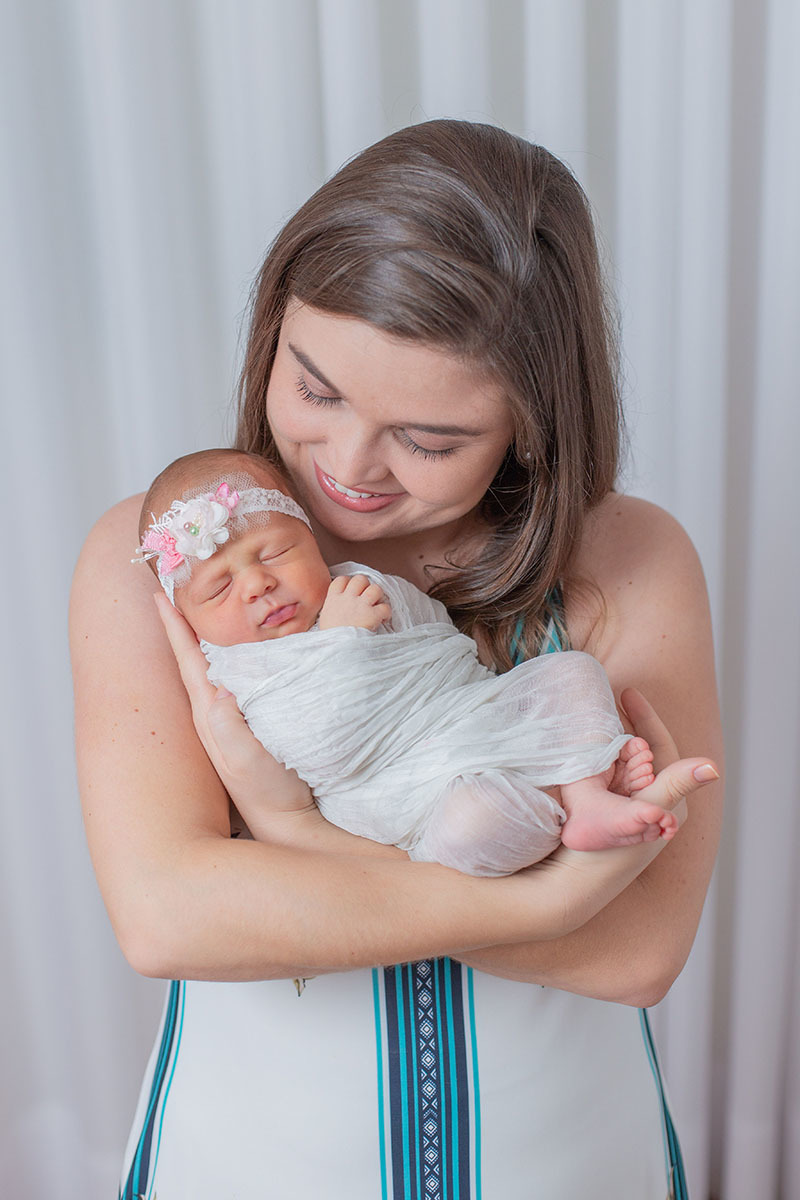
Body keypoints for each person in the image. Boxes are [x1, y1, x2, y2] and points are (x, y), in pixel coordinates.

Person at [70, 120, 723, 1199]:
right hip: (250, 1167)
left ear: (532, 423)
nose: (347, 466)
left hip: (571, 1165)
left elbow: (637, 954)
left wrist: (289, 835)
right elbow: (168, 914)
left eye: (427, 440)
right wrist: (546, 905)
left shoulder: (627, 558)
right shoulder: (168, 558)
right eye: (315, 390)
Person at [135, 447, 682, 876]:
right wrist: (342, 640)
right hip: (410, 793)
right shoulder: (240, 674)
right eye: (219, 588)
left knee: (571, 671)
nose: (258, 584)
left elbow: (439, 636)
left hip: (473, 713)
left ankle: (585, 796)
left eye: (276, 553)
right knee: (473, 824)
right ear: (189, 620)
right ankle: (562, 792)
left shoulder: (352, 583)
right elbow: (318, 752)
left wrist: (396, 627)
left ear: (310, 540)